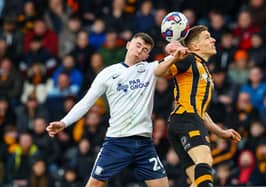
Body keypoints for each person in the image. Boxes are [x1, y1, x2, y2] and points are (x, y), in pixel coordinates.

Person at [46, 32, 187, 187]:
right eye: (138, 45)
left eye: (145, 50)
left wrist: (179, 50)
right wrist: (64, 122)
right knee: (94, 185)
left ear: (147, 56)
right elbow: (85, 103)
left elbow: (174, 58)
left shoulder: (150, 69)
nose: (140, 50)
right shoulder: (108, 73)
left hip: (144, 143)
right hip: (117, 141)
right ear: (128, 45)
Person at [154, 25, 241, 187]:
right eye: (207, 37)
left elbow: (200, 112)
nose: (213, 39)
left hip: (183, 122)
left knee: (196, 177)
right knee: (205, 160)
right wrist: (174, 58)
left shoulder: (202, 68)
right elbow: (158, 72)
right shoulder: (188, 59)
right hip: (186, 120)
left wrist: (221, 132)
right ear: (194, 46)